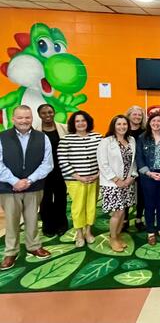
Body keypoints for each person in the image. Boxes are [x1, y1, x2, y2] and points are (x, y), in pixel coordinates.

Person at [0, 105, 53, 270]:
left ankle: (34, 246)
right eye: (20, 118)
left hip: (34, 187)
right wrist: (14, 181)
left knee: (32, 219)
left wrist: (28, 180)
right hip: (9, 188)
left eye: (27, 117)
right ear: (14, 119)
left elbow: (48, 163)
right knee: (12, 221)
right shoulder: (2, 137)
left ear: (32, 118)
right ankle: (11, 252)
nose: (24, 121)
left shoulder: (42, 137)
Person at [58, 110, 102, 247]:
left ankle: (88, 231)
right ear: (73, 124)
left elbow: (104, 157)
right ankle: (79, 233)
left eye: (83, 120)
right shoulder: (66, 140)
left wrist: (98, 174)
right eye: (77, 121)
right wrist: (77, 176)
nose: (81, 123)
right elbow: (62, 160)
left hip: (94, 178)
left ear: (88, 122)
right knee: (77, 207)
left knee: (91, 206)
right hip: (75, 180)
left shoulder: (98, 137)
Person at [97, 115, 138, 252]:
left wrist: (131, 177)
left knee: (124, 211)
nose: (122, 127)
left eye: (124, 124)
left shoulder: (131, 140)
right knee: (118, 212)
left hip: (127, 182)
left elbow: (133, 162)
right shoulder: (106, 142)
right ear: (113, 126)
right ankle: (113, 238)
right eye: (119, 124)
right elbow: (103, 164)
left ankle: (117, 235)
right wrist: (116, 180)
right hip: (112, 184)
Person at [136, 112, 160, 245]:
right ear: (149, 123)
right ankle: (150, 231)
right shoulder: (142, 138)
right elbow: (139, 158)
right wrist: (148, 173)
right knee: (149, 204)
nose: (156, 124)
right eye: (153, 121)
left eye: (159, 121)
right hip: (148, 176)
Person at [35, 103, 68, 237]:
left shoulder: (64, 128)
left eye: (50, 112)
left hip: (61, 169)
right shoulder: (35, 131)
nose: (47, 115)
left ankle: (62, 224)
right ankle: (48, 225)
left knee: (61, 197)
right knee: (45, 198)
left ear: (54, 113)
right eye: (44, 113)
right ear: (39, 115)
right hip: (43, 171)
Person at [125, 105, 147, 231]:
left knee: (142, 194)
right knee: (126, 193)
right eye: (135, 114)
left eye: (140, 115)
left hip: (142, 167)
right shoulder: (123, 129)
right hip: (126, 168)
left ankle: (139, 218)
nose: (137, 117)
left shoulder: (145, 131)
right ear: (129, 115)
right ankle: (125, 218)